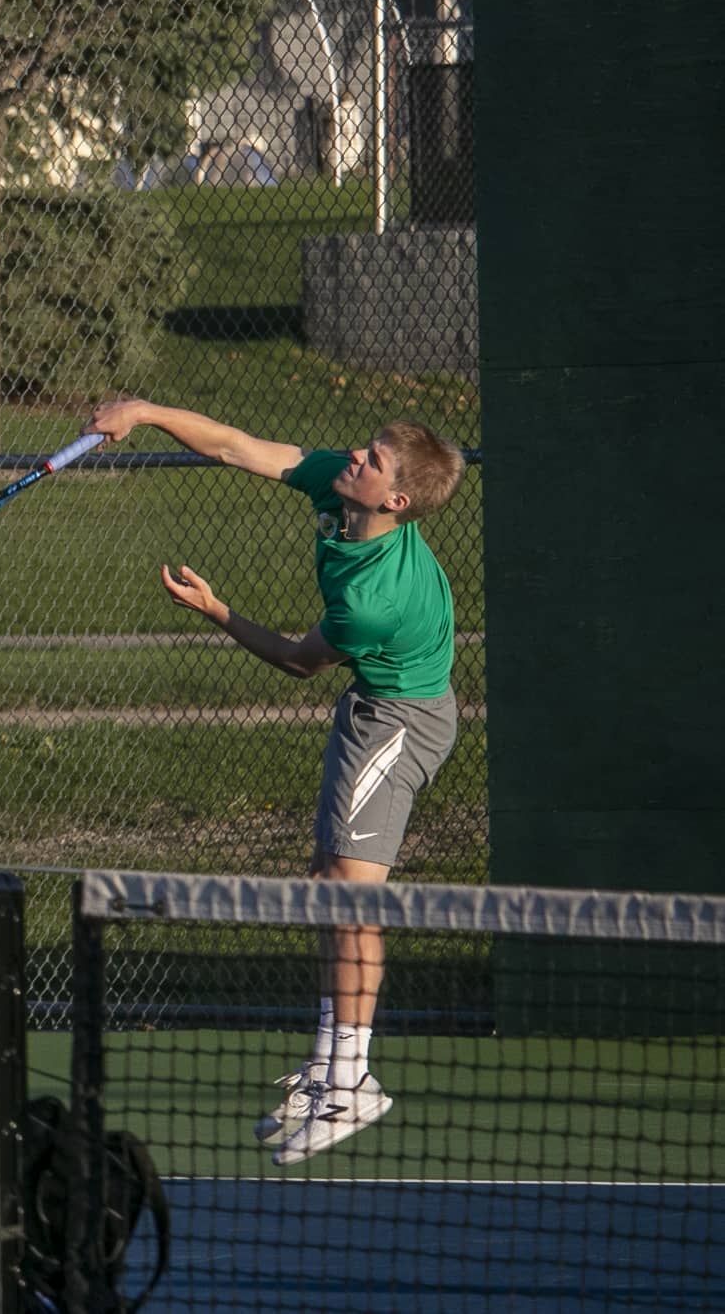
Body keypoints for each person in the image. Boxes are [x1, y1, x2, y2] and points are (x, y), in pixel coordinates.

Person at [82, 399, 465, 1165]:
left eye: (375, 461)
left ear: (394, 501)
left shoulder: (372, 600)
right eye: (368, 446)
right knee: (329, 882)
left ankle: (352, 1080)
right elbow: (234, 442)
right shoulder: (337, 484)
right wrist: (145, 412)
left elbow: (297, 659)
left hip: (402, 719)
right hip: (371, 707)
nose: (357, 456)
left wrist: (219, 611)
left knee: (353, 897)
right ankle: (332, 1064)